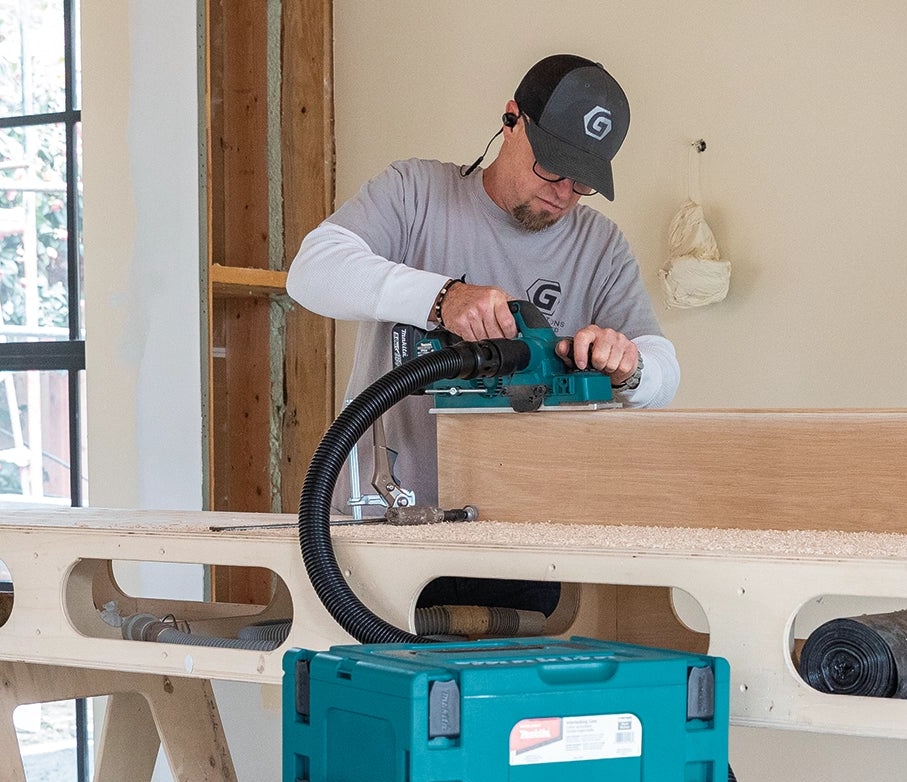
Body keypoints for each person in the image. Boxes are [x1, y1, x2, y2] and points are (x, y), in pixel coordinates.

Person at [287, 52, 680, 537]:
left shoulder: (599, 247)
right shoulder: (416, 193)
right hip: (385, 520)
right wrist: (441, 298)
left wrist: (630, 364)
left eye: (583, 182)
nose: (563, 194)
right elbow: (312, 270)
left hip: (528, 529)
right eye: (552, 168)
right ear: (512, 120)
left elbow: (664, 371)